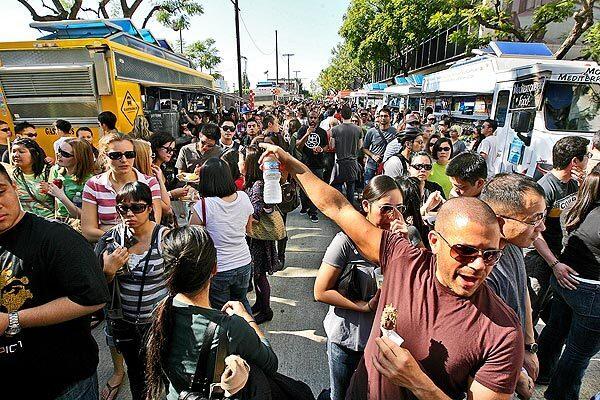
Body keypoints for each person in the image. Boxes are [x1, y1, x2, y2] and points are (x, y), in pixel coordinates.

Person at [257, 143, 524, 400]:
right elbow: (337, 207)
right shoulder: (402, 259)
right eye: (464, 251)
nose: (479, 265)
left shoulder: (503, 331)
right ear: (434, 242)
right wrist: (291, 163)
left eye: (490, 255)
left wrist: (418, 384)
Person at [0, 163, 109, 399]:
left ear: (15, 188)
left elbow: (94, 297)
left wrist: (13, 320)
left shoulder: (56, 238)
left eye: (0, 191)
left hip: (64, 383)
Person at [144, 226, 278, 400]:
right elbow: (271, 363)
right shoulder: (231, 328)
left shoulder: (160, 311)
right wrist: (247, 318)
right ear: (214, 268)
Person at [314, 176, 405, 400]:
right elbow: (321, 291)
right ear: (366, 206)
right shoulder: (346, 241)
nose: (392, 216)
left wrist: (403, 247)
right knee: (342, 395)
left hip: (385, 344)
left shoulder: (403, 241)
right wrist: (364, 307)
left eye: (399, 208)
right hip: (348, 341)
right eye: (385, 208)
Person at [96, 182, 168, 400]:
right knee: (137, 373)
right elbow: (93, 291)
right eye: (123, 208)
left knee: (161, 370)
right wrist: (108, 273)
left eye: (136, 207)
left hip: (158, 323)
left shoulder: (165, 239)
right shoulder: (110, 240)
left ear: (149, 208)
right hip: (125, 323)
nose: (129, 213)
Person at [480, 174, 548, 399]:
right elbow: (488, 343)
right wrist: (518, 375)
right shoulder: (479, 274)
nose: (542, 227)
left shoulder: (514, 245)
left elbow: (523, 293)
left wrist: (529, 345)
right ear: (501, 222)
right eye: (534, 219)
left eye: (543, 216)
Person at [536, 165, 600, 399]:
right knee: (578, 352)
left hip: (566, 282)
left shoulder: (578, 208)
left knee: (555, 331)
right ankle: (560, 395)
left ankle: (540, 373)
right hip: (590, 292)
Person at [525, 136, 589, 325]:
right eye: (587, 155)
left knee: (547, 306)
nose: (589, 158)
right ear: (574, 161)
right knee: (530, 308)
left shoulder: (575, 183)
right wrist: (554, 264)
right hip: (540, 258)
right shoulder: (546, 188)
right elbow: (535, 233)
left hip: (558, 256)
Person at [189, 158, 254, 313]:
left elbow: (192, 238)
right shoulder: (243, 197)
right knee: (242, 303)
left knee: (221, 310)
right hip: (244, 262)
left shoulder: (203, 206)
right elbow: (249, 230)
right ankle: (251, 333)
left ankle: (229, 336)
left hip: (219, 268)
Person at [81, 132, 163, 242]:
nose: (124, 160)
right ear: (105, 156)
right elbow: (88, 232)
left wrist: (105, 230)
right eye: (116, 155)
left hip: (141, 248)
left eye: (129, 154)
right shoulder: (94, 184)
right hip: (108, 250)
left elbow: (152, 227)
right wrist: (123, 236)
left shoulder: (149, 183)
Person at [244, 146, 282, 324]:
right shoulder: (255, 183)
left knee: (260, 275)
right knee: (257, 274)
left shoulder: (258, 185)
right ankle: (260, 304)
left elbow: (257, 211)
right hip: (257, 238)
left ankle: (266, 310)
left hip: (259, 239)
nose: (240, 163)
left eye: (243, 159)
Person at [43, 138, 95, 223]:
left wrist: (61, 196)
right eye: (59, 150)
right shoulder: (57, 170)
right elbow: (56, 202)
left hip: (77, 225)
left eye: (65, 154)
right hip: (59, 221)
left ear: (79, 158)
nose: (59, 155)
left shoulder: (90, 181)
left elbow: (86, 216)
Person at [8, 137, 54, 218]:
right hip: (24, 223)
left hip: (48, 221)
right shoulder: (10, 175)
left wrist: (52, 190)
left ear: (34, 155)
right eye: (13, 151)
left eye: (21, 152)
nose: (16, 155)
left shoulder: (49, 172)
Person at [296, 110, 328, 222]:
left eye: (315, 118)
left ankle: (313, 212)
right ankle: (305, 206)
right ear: (308, 118)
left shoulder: (322, 132)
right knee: (304, 189)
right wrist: (307, 134)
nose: (313, 120)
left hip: (318, 165)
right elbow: (298, 146)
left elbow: (326, 147)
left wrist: (320, 149)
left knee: (317, 190)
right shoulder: (303, 130)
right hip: (305, 164)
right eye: (311, 118)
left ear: (318, 119)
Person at [329, 105, 362, 206]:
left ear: (341, 115)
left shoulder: (334, 130)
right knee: (350, 188)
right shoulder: (358, 129)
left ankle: (340, 207)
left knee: (338, 185)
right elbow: (360, 146)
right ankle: (350, 207)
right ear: (351, 115)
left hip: (340, 162)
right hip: (352, 162)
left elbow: (332, 146)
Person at [149, 132, 189, 200]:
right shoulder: (149, 169)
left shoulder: (166, 166)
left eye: (173, 150)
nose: (171, 153)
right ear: (156, 147)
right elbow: (151, 197)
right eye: (168, 149)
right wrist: (171, 194)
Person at [362, 108, 396, 185]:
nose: (383, 118)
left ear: (390, 118)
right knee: (368, 187)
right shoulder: (372, 131)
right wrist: (373, 156)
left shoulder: (394, 132)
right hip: (372, 165)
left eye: (385, 116)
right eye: (381, 116)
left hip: (387, 165)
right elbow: (364, 148)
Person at [408, 151, 445, 218]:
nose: (423, 170)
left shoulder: (435, 188)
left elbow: (444, 212)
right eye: (418, 166)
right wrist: (427, 207)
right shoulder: (402, 188)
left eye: (427, 167)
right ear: (409, 168)